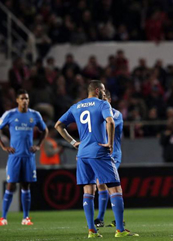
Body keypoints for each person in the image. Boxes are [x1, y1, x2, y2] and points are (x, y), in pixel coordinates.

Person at [55, 80, 138, 238]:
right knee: (115, 189)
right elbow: (110, 122)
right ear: (98, 91)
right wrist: (110, 144)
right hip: (99, 151)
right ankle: (120, 230)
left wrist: (73, 142)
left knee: (88, 190)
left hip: (82, 154)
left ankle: (92, 231)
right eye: (103, 91)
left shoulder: (76, 107)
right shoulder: (102, 104)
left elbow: (58, 125)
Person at [0, 89, 48, 226]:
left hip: (28, 156)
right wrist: (3, 146)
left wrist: (38, 145)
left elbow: (44, 130)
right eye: (22, 98)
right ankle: (3, 218)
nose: (25, 101)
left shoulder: (34, 115)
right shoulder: (10, 114)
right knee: (11, 185)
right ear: (17, 100)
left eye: (27, 98)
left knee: (26, 186)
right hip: (15, 156)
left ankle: (26, 218)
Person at [94, 89, 124, 228]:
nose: (103, 102)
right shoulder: (98, 113)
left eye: (105, 99)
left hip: (113, 155)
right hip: (100, 154)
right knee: (101, 184)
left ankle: (103, 218)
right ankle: (104, 219)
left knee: (105, 183)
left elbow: (108, 126)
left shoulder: (116, 114)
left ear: (109, 100)